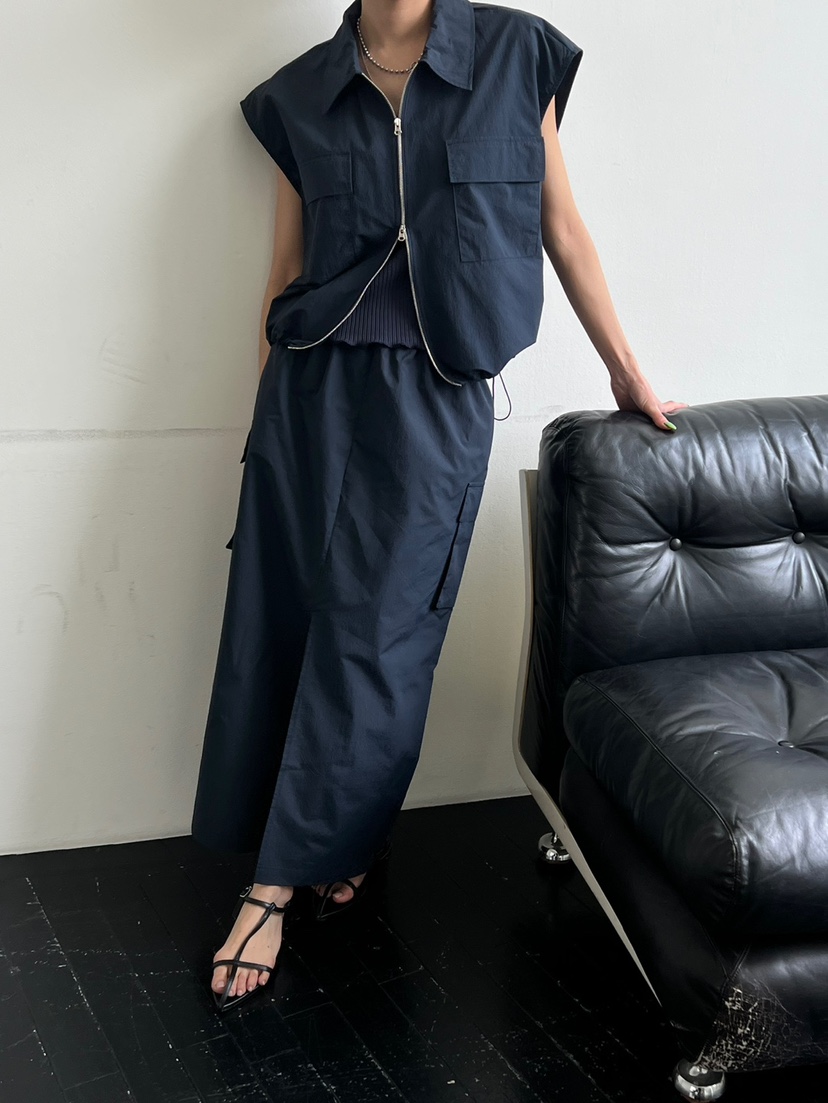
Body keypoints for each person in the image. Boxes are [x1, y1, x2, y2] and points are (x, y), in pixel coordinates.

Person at [191, 0, 689, 1012]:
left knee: (383, 634)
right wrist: (262, 429)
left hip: (437, 392)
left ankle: (275, 882)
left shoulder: (516, 56)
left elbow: (560, 224)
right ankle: (322, 846)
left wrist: (626, 370)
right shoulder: (298, 95)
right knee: (284, 619)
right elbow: (284, 272)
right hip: (308, 391)